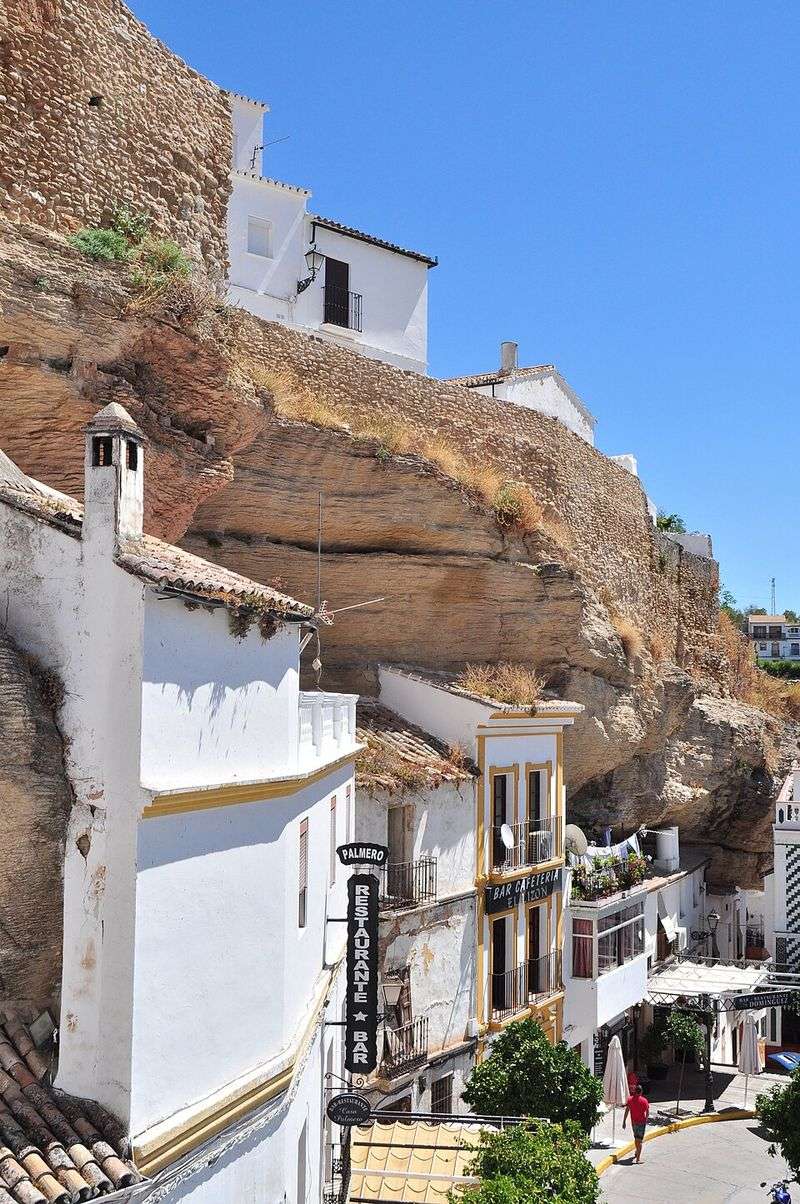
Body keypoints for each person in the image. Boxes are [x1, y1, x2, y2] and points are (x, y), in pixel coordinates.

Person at [622, 1083, 650, 1163]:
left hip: (634, 1123)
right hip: (641, 1122)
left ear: (635, 1091)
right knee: (639, 1140)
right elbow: (647, 1112)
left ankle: (636, 1151)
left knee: (636, 1138)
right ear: (641, 1092)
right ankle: (638, 1159)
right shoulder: (645, 1101)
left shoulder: (630, 1100)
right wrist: (646, 1120)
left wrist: (624, 1121)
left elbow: (627, 1110)